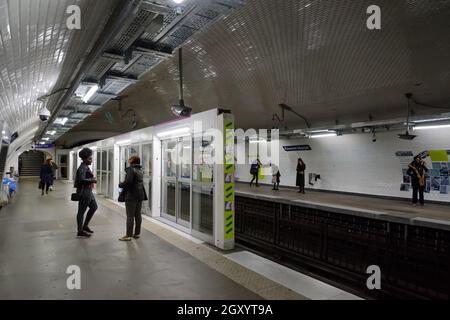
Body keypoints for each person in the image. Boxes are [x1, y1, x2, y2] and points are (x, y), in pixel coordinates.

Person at [118, 155, 148, 242]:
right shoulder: (140, 170)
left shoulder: (131, 170)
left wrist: (120, 184)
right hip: (140, 195)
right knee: (138, 214)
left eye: (130, 159)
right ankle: (137, 233)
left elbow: (128, 182)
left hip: (131, 195)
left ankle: (128, 235)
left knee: (130, 216)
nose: (128, 160)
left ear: (132, 161)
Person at [74, 148, 97, 238]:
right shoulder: (82, 168)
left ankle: (85, 226)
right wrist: (92, 180)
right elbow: (81, 180)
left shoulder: (86, 167)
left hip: (88, 191)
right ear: (85, 159)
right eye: (90, 159)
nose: (91, 160)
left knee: (94, 207)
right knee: (81, 212)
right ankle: (80, 231)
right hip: (84, 192)